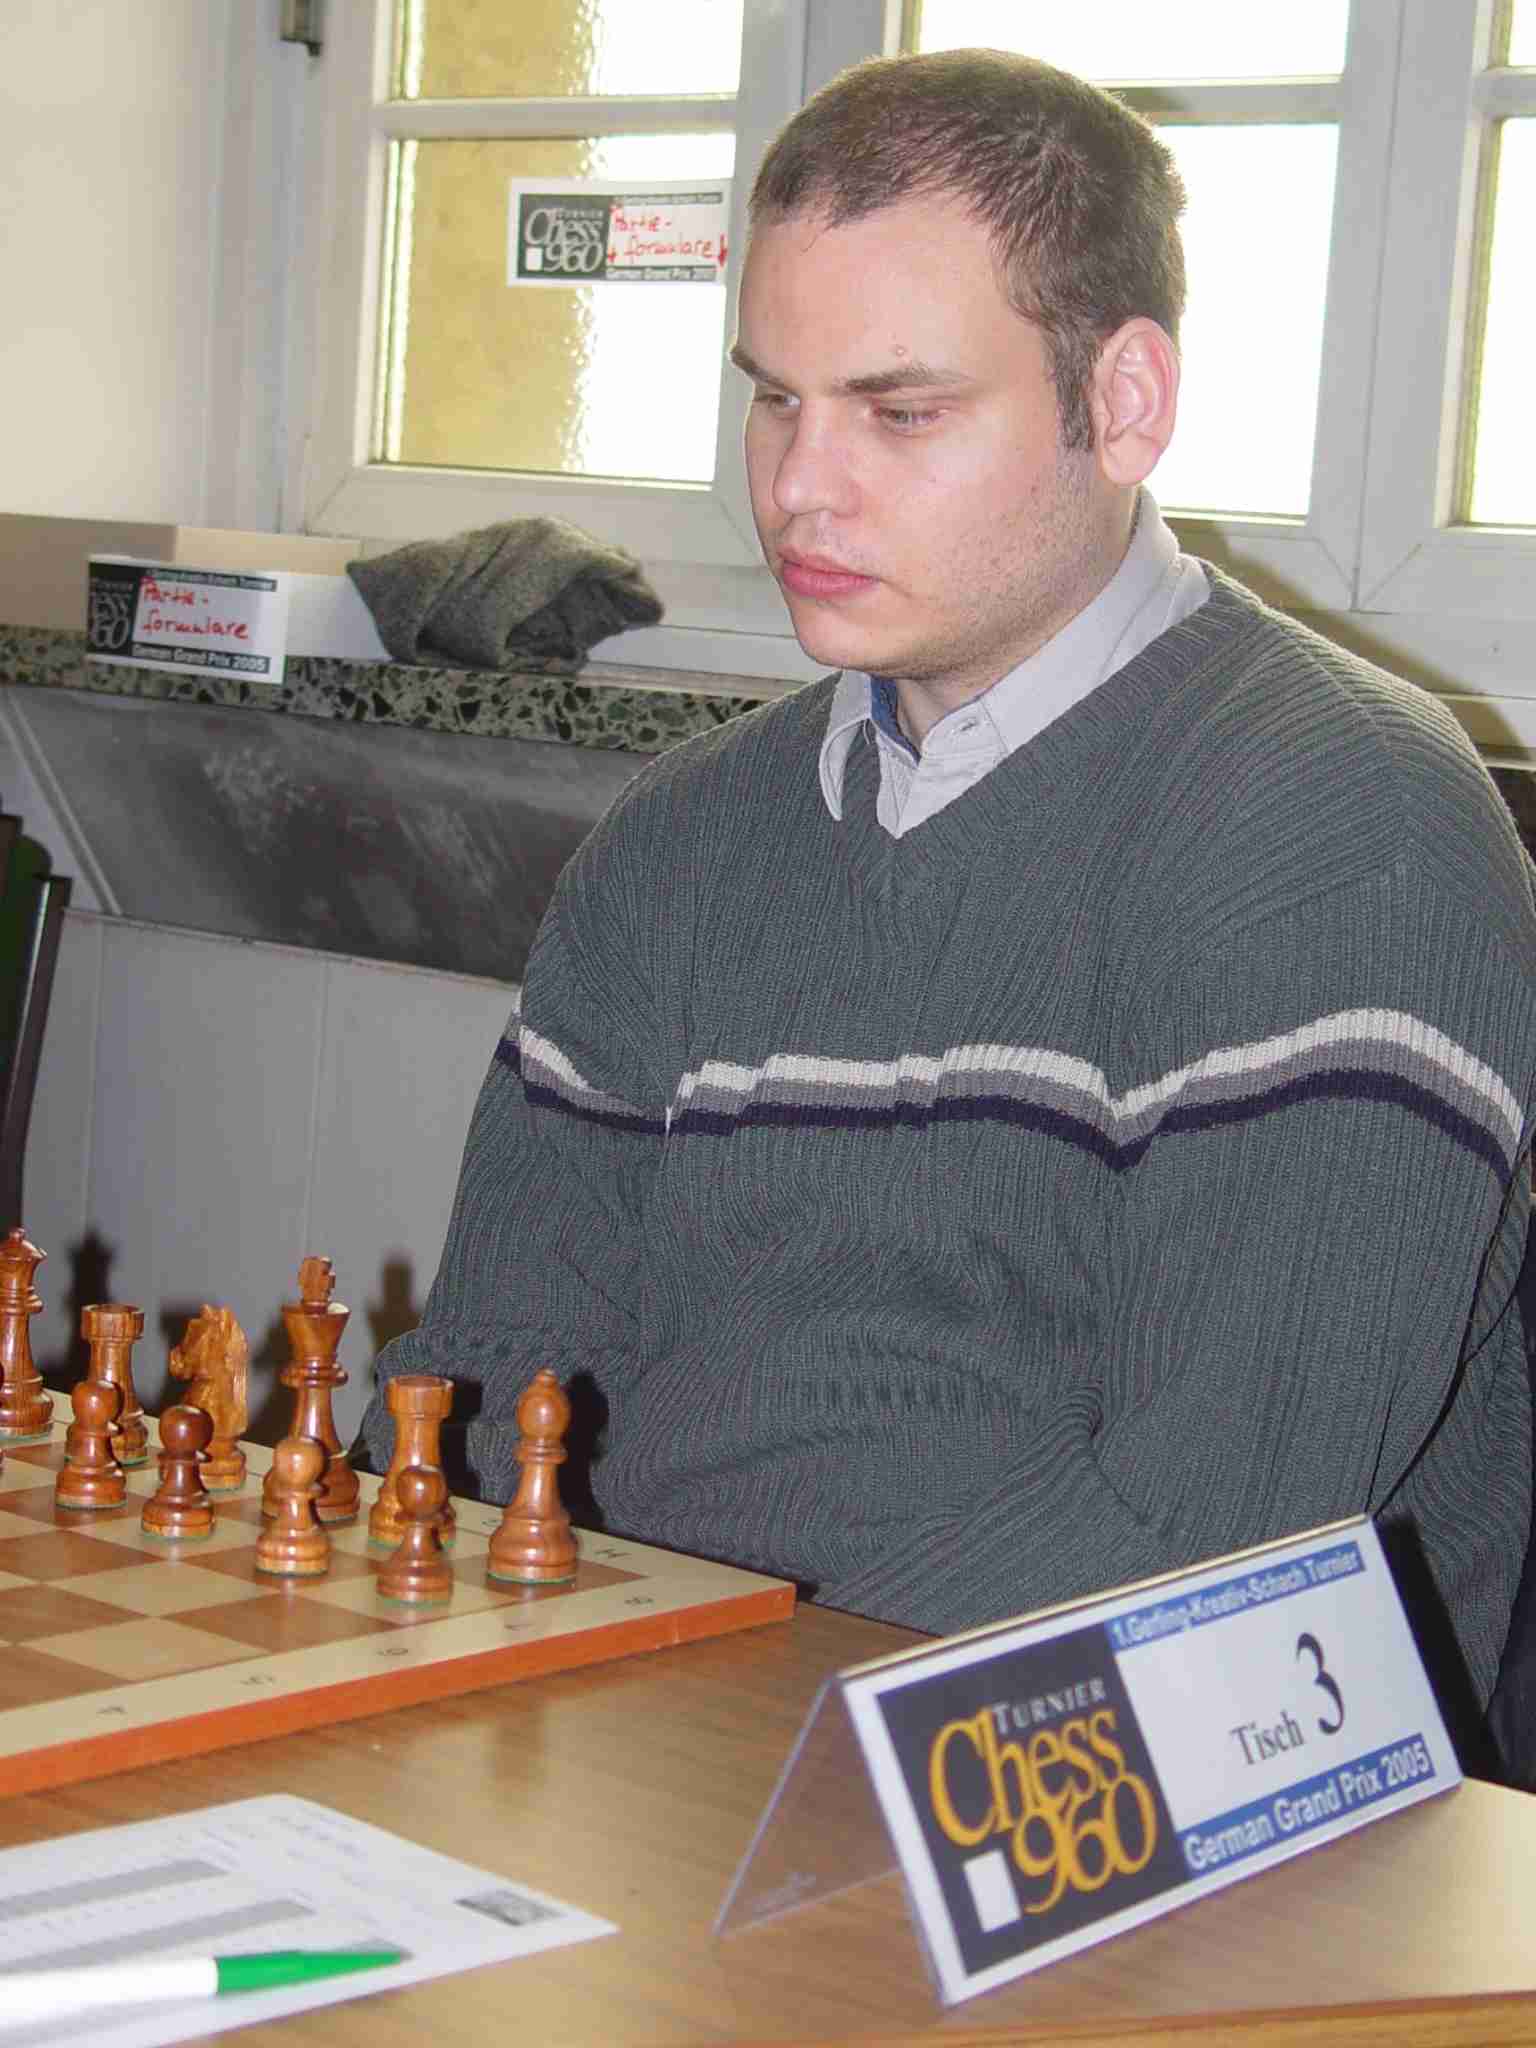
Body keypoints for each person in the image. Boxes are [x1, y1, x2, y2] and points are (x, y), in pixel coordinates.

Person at [362, 49, 1536, 1727]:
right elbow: (477, 1396)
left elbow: (1210, 1558)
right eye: (776, 398)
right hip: (647, 1714)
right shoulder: (682, 841)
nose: (797, 486)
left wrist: (713, 1675)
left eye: (900, 412)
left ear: (1125, 402)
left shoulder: (1346, 829)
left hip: (1120, 1791)